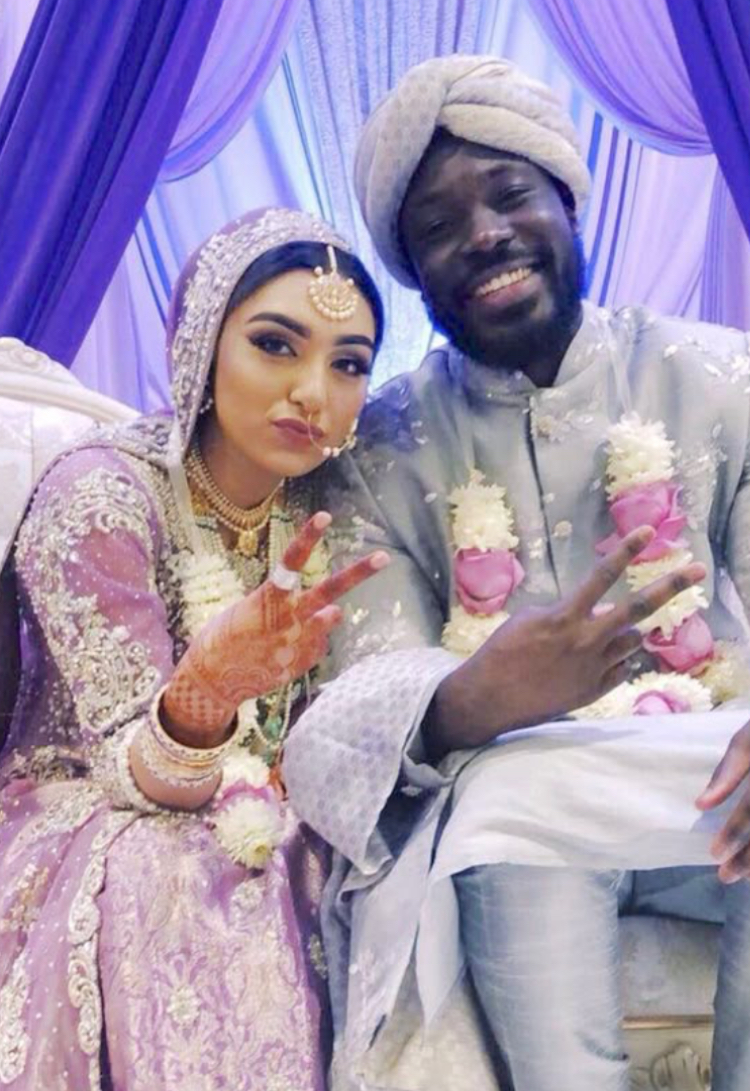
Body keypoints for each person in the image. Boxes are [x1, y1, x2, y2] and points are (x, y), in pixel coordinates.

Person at [283, 56, 750, 1090]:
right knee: (510, 812)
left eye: (509, 195)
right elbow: (366, 684)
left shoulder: (722, 378)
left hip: (710, 776)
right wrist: (472, 697)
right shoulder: (378, 451)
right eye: (439, 226)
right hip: (529, 815)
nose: (485, 234)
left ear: (568, 203)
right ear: (415, 270)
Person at [0, 207, 391, 1091]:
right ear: (202, 347)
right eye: (275, 344)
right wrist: (206, 692)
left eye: (349, 363)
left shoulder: (337, 509)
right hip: (94, 813)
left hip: (278, 800)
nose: (313, 392)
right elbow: (128, 772)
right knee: (194, 862)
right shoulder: (100, 495)